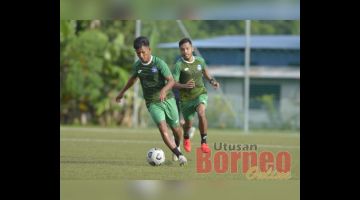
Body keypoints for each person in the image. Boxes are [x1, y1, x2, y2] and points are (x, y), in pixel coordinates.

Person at [116, 36, 187, 166]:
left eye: (143, 52)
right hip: (152, 103)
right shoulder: (137, 66)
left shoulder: (159, 63)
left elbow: (171, 80)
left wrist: (164, 90)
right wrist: (121, 93)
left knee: (176, 129)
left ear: (149, 49)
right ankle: (179, 155)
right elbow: (132, 80)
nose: (141, 55)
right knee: (162, 128)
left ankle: (177, 145)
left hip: (168, 99)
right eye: (138, 53)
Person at [173, 38, 220, 153]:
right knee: (188, 124)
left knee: (201, 112)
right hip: (186, 99)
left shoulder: (200, 61)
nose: (185, 51)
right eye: (182, 49)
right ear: (180, 51)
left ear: (192, 49)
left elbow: (206, 73)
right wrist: (184, 86)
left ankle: (204, 142)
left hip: (200, 94)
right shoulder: (179, 65)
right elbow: (173, 83)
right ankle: (186, 137)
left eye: (187, 48)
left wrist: (212, 81)